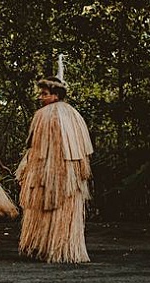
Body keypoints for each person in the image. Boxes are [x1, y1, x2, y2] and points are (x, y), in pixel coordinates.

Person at [17, 76, 93, 265]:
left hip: (50, 172)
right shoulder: (74, 115)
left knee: (48, 207)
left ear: (56, 94)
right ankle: (55, 248)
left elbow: (32, 145)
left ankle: (50, 248)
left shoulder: (43, 115)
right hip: (67, 174)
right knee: (59, 209)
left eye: (44, 94)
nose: (40, 97)